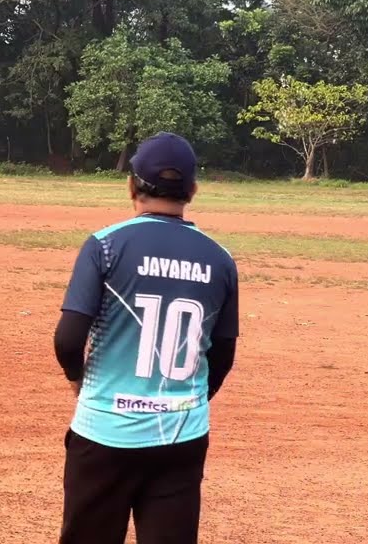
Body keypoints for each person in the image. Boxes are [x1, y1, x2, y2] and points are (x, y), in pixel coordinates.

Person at [53, 132, 239, 544]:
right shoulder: (220, 258)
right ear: (192, 190)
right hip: (181, 436)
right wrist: (186, 401)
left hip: (105, 433)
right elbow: (223, 354)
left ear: (131, 185)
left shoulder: (104, 246)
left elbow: (68, 340)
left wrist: (77, 380)